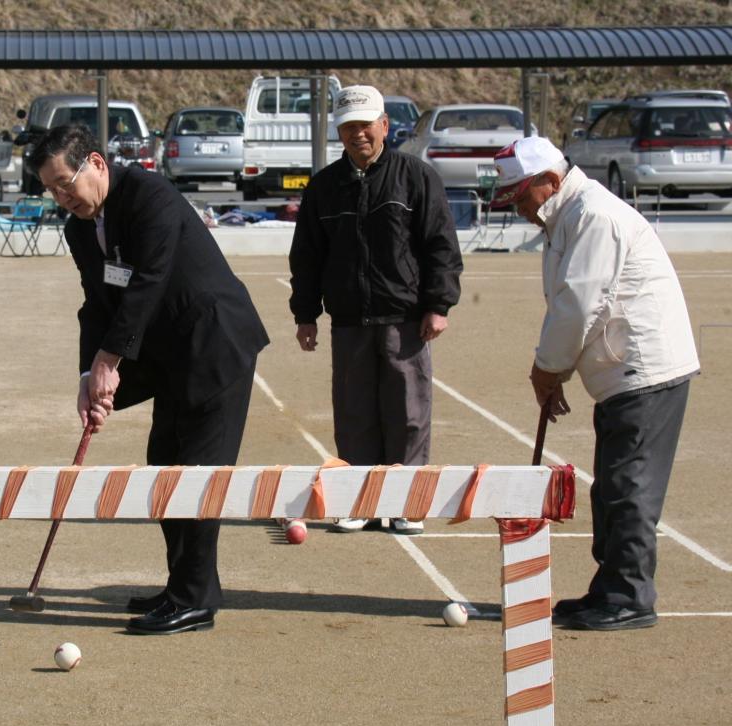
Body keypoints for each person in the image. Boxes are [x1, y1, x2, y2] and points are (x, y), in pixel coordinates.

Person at [28, 124, 269, 635]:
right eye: (50, 188)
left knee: (199, 474)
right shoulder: (79, 229)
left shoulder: (150, 195)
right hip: (169, 356)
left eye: (65, 181)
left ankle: (194, 600)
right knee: (165, 465)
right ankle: (183, 583)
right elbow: (98, 303)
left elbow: (149, 281)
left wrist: (111, 362)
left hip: (215, 344)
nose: (61, 196)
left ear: (95, 162)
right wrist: (87, 373)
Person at [492, 136, 700, 631]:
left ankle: (630, 596)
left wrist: (547, 368)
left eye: (521, 196)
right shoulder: (567, 215)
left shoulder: (593, 216)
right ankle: (608, 589)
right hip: (618, 371)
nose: (518, 208)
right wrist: (555, 369)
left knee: (629, 486)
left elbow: (580, 304)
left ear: (550, 180)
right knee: (609, 486)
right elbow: (570, 304)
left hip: (644, 370)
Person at [288, 85, 463, 534]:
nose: (358, 134)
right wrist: (305, 314)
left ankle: (406, 502)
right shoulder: (324, 187)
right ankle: (359, 501)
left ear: (384, 125)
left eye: (365, 125)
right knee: (354, 412)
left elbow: (441, 245)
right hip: (348, 320)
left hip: (404, 318)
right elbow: (306, 255)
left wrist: (438, 304)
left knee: (408, 413)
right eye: (348, 127)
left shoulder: (416, 177)